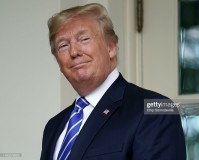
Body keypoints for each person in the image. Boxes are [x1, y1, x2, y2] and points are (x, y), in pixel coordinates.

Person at [40, 3, 186, 160]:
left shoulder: (159, 109)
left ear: (111, 48)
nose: (74, 52)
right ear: (58, 62)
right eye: (63, 45)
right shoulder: (53, 126)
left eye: (84, 39)